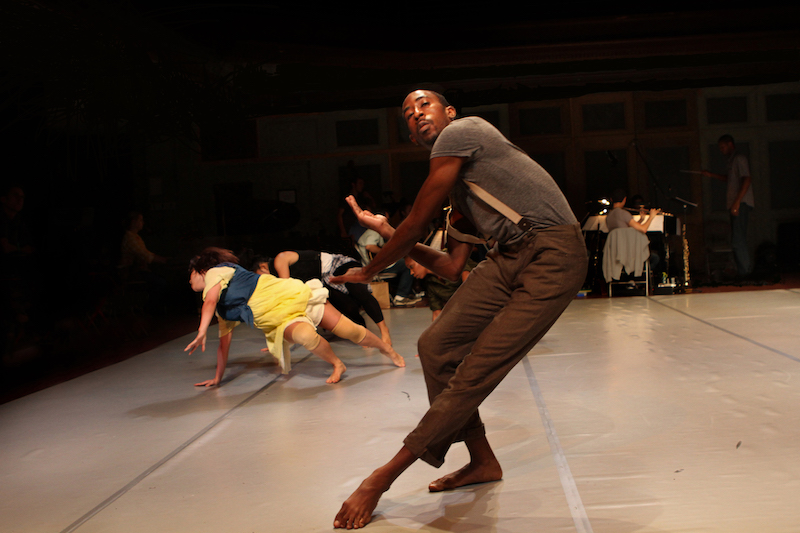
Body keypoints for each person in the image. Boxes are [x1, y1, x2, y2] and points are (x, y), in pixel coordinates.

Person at [331, 89, 587, 529]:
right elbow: (450, 267)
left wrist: (371, 267)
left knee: (474, 371)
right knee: (435, 346)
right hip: (509, 256)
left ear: (449, 112)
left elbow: (416, 222)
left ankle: (381, 479)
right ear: (410, 135)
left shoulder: (466, 132)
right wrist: (387, 230)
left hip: (553, 253)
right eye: (408, 115)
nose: (417, 115)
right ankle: (482, 461)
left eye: (424, 106)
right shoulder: (462, 196)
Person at [184, 247, 404, 386]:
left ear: (201, 269)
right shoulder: (225, 309)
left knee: (349, 330)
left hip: (295, 297)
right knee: (306, 337)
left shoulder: (217, 271)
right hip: (283, 319)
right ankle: (338, 364)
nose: (189, 280)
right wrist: (217, 378)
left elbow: (209, 301)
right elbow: (224, 345)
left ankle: (387, 349)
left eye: (190, 274)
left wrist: (202, 330)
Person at [267, 250, 393, 345]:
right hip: (324, 281)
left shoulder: (279, 259)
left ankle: (384, 331)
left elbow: (287, 287)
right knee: (347, 307)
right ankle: (363, 334)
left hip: (336, 265)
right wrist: (277, 341)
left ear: (262, 267)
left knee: (359, 292)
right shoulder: (272, 279)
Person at [702, 134, 754, 277]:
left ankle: (745, 273)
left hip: (740, 203)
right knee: (737, 239)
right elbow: (729, 179)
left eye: (723, 147)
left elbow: (747, 179)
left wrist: (737, 202)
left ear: (730, 144)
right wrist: (711, 175)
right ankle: (743, 271)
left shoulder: (739, 159)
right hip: (734, 203)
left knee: (738, 240)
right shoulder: (731, 161)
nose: (721, 150)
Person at [356, 227, 421, 307]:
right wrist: (385, 253)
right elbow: (369, 247)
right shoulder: (374, 231)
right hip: (376, 268)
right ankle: (401, 296)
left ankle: (409, 292)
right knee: (406, 265)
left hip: (370, 266)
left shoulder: (366, 234)